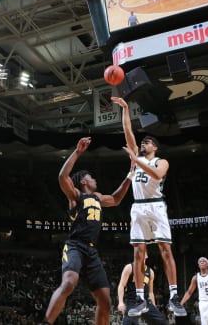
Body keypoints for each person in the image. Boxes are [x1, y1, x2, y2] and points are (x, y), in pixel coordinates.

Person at [42, 137, 132, 325]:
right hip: (75, 245)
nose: (96, 179)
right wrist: (78, 152)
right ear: (84, 181)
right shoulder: (76, 196)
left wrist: (130, 176)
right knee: (68, 283)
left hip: (92, 251)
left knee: (106, 301)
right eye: (92, 177)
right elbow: (62, 177)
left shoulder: (98, 197)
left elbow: (116, 199)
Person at [112, 97, 187, 317]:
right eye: (142, 142)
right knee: (138, 253)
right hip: (138, 208)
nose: (143, 143)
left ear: (155, 147)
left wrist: (136, 158)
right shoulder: (136, 159)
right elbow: (128, 130)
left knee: (165, 249)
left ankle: (174, 296)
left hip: (156, 206)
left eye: (147, 142)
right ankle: (139, 298)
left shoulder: (160, 161)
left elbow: (156, 174)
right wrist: (126, 108)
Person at [117, 252, 167, 325]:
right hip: (132, 301)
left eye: (142, 252)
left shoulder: (150, 272)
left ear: (146, 256)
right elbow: (121, 285)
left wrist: (154, 306)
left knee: (161, 322)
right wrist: (120, 302)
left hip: (146, 302)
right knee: (129, 323)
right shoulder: (129, 267)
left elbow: (150, 292)